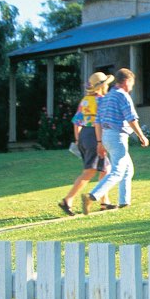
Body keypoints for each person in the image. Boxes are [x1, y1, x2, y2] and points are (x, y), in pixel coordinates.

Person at [82, 67, 149, 214]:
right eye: (131, 83)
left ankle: (124, 202)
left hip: (106, 136)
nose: (131, 86)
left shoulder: (106, 98)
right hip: (117, 136)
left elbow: (97, 122)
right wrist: (141, 136)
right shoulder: (122, 96)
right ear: (126, 81)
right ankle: (92, 196)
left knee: (127, 169)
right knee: (118, 171)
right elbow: (131, 119)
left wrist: (100, 142)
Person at [57, 72, 116, 216]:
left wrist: (78, 140)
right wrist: (100, 141)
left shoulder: (85, 100)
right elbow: (101, 122)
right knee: (90, 171)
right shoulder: (102, 100)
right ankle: (67, 200)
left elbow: (76, 122)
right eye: (106, 84)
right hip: (95, 136)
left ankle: (104, 201)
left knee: (105, 169)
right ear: (103, 86)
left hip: (84, 136)